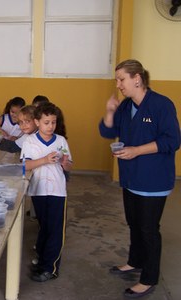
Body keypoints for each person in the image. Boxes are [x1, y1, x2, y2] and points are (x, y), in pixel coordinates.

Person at [99, 59, 180, 298]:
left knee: (148, 229)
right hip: (131, 178)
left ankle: (149, 278)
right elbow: (107, 132)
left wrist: (136, 150)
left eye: (121, 79)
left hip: (153, 181)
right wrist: (110, 111)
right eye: (117, 80)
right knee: (134, 223)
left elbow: (172, 141)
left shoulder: (161, 105)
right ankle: (135, 261)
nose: (118, 84)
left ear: (137, 79)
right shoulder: (125, 106)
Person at [21, 103, 73, 282]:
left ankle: (50, 268)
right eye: (46, 122)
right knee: (45, 227)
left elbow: (68, 165)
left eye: (53, 122)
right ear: (37, 122)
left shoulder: (60, 141)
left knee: (55, 230)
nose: (50, 126)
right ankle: (43, 261)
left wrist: (65, 163)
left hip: (58, 191)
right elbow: (25, 165)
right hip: (38, 190)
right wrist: (44, 159)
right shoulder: (29, 141)